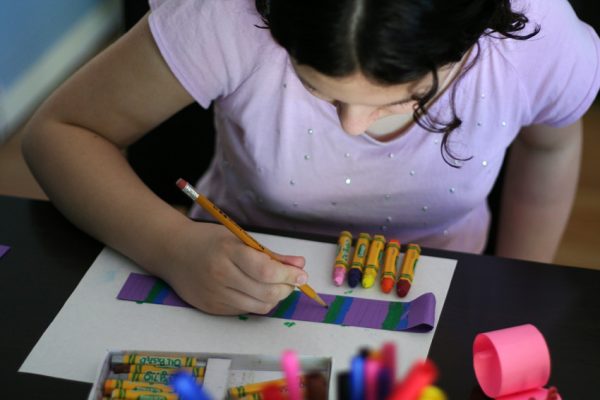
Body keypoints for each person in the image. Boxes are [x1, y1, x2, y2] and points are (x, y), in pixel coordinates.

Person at [22, 0, 600, 315]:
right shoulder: (228, 18)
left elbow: (550, 151)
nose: (351, 125)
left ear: (472, 39)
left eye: (407, 99)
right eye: (319, 90)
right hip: (224, 274)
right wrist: (171, 246)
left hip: (435, 292)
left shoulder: (543, 45)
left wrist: (517, 288)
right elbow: (59, 133)